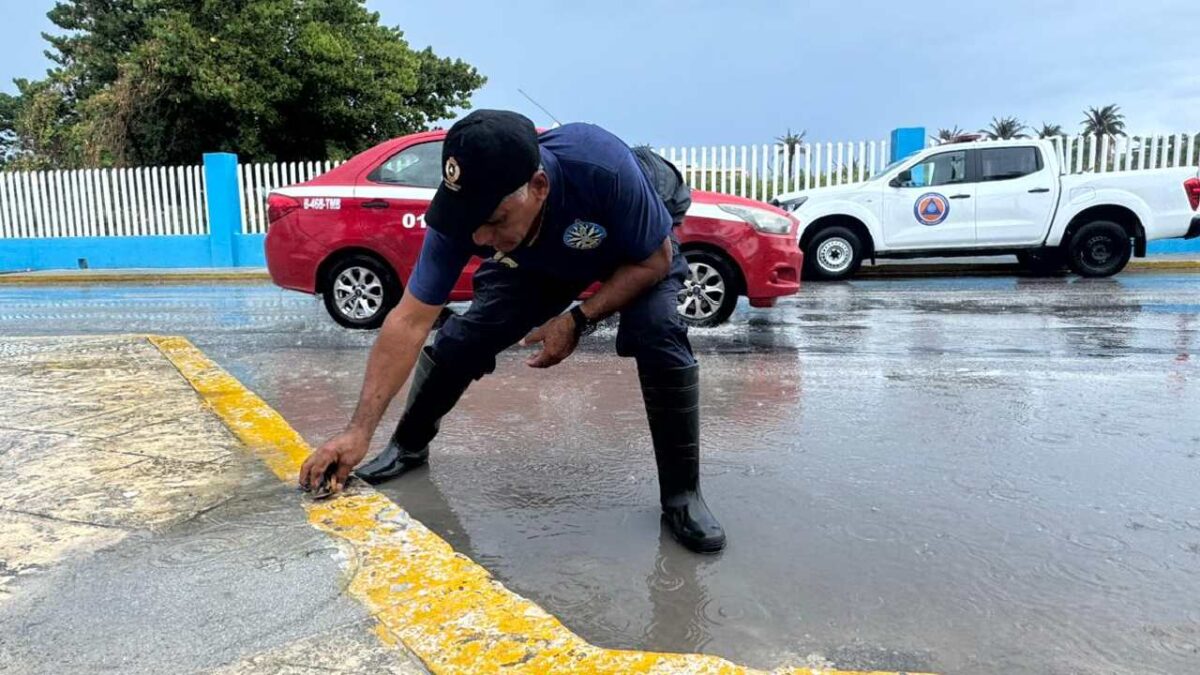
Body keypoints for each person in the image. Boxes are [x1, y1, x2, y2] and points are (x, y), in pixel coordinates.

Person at [298, 110, 725, 553]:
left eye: (496, 219)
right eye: (471, 221)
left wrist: (577, 319)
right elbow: (409, 320)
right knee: (470, 334)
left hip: (633, 242)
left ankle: (682, 496)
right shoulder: (466, 218)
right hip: (544, 253)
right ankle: (407, 445)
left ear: (537, 187)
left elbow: (653, 261)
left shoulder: (603, 169)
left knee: (657, 331)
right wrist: (358, 431)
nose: (480, 238)